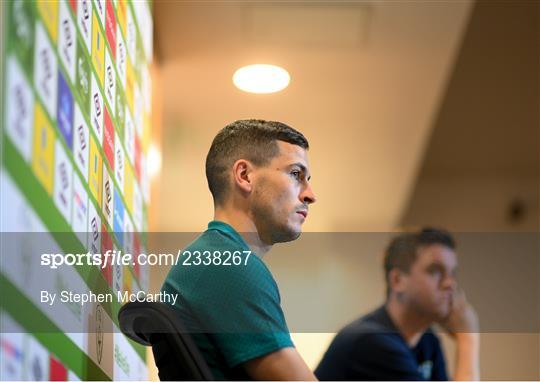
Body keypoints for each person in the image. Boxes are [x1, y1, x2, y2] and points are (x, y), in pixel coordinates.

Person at [161, 120, 317, 380]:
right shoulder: (228, 266)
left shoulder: (215, 258)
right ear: (244, 176)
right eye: (295, 174)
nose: (310, 194)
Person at [315, 228, 480, 381]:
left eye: (452, 273)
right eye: (435, 271)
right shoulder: (372, 342)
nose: (449, 283)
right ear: (397, 280)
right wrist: (468, 339)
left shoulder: (428, 341)